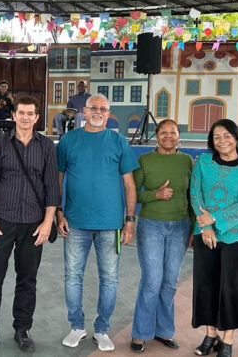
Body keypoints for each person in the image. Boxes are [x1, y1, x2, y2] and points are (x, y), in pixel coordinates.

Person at [0, 95, 61, 354]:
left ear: (36, 117)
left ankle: (22, 329)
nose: (25, 117)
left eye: (30, 113)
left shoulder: (46, 146)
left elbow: (52, 188)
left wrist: (47, 223)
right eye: (20, 112)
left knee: (27, 280)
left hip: (33, 224)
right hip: (1, 222)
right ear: (14, 115)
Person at [56, 93, 139, 352]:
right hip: (75, 222)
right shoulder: (68, 141)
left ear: (108, 112)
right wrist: (58, 212)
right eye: (94, 107)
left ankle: (102, 329)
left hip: (110, 223)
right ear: (84, 109)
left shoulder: (119, 142)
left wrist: (129, 220)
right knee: (72, 277)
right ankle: (77, 326)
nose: (98, 111)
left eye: (103, 108)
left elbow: (129, 184)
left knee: (110, 279)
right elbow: (56, 180)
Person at [191, 119, 238, 357]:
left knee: (232, 289)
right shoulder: (203, 163)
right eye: (217, 136)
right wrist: (205, 227)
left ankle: (228, 341)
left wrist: (215, 220)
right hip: (205, 234)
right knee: (206, 286)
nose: (222, 140)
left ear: (237, 138)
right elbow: (195, 193)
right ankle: (211, 334)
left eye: (227, 135)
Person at [129, 119, 193, 353]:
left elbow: (192, 196)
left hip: (180, 226)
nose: (168, 136)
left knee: (169, 282)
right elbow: (133, 194)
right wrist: (155, 194)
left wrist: (194, 227)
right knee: (152, 280)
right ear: (156, 135)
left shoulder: (186, 161)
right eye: (163, 132)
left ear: (179, 135)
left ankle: (164, 330)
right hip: (151, 225)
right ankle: (140, 333)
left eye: (173, 132)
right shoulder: (144, 160)